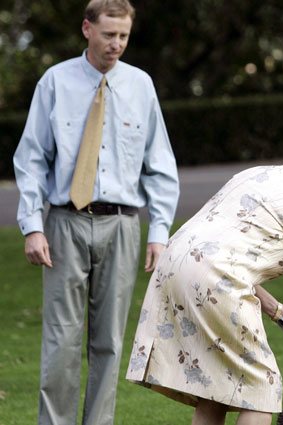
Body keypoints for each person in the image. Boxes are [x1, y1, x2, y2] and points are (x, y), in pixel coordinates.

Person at [12, 1, 180, 424]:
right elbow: (32, 159)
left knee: (109, 343)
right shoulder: (55, 82)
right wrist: (33, 226)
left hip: (122, 226)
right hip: (64, 222)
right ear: (87, 29)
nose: (116, 45)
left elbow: (159, 165)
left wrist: (159, 232)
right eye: (108, 35)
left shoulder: (141, 86)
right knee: (61, 339)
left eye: (123, 36)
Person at [125, 144, 283, 425]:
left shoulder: (268, 175)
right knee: (262, 389)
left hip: (175, 264)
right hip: (215, 278)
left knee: (215, 387)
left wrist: (273, 307)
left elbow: (225, 249)